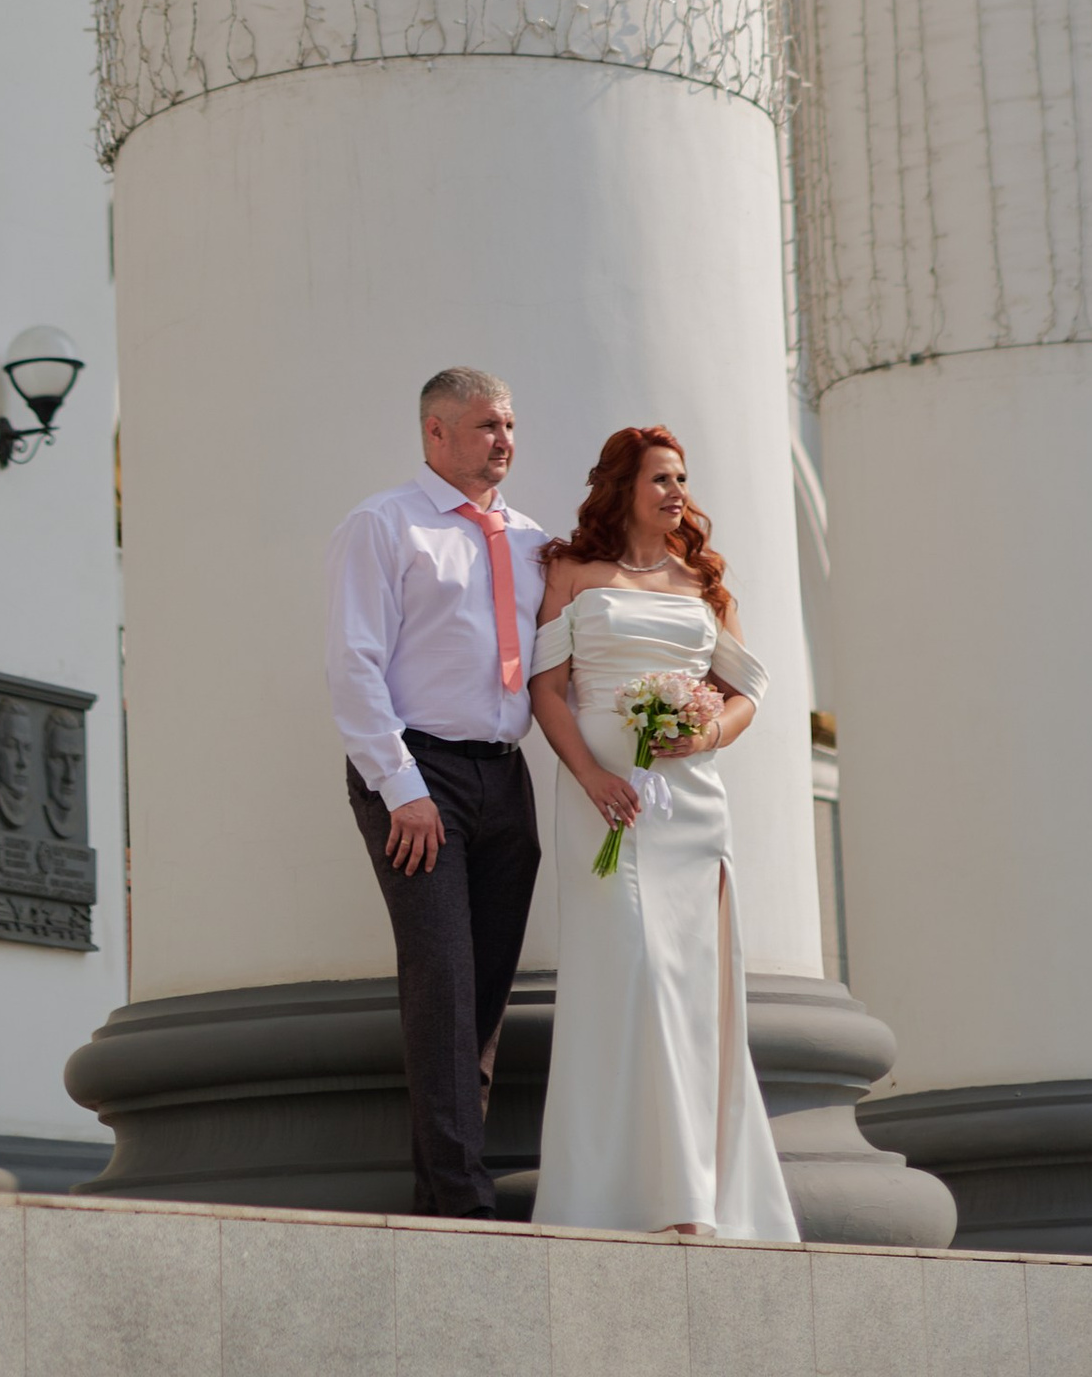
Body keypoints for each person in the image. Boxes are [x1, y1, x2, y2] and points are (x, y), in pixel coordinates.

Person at [528, 424, 797, 1242]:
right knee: (629, 979)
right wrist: (593, 778)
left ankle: (699, 1198)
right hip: (603, 808)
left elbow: (748, 691)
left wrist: (707, 735)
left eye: (681, 478)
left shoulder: (702, 584)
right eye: (660, 479)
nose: (676, 492)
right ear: (623, 487)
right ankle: (618, 1193)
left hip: (689, 812)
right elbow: (546, 690)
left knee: (687, 990)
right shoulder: (573, 573)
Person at [325, 366, 548, 1217]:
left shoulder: (530, 540)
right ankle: (458, 1198)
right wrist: (400, 787)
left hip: (504, 776)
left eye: (510, 425)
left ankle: (454, 1176)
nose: (505, 441)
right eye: (488, 425)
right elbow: (354, 663)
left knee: (484, 991)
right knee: (443, 979)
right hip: (419, 777)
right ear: (436, 433)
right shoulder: (384, 526)